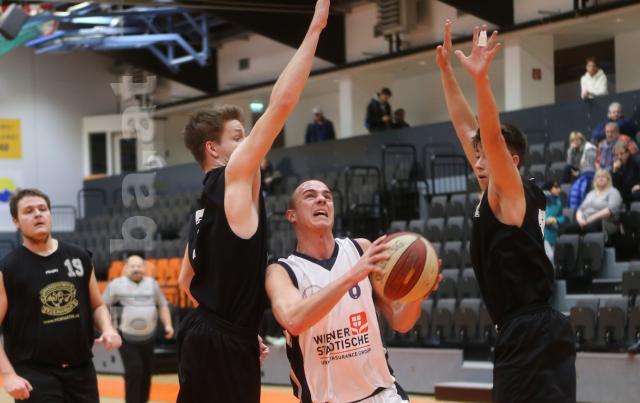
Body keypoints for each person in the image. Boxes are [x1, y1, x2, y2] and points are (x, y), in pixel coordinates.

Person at [176, 1, 330, 402]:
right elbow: (282, 103)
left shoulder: (203, 205)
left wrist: (235, 326)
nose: (249, 142)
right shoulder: (231, 178)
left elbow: (185, 280)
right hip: (220, 342)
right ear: (214, 149)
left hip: (215, 336)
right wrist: (315, 30)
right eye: (238, 137)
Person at [437, 21, 576, 402]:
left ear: (511, 161)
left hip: (532, 333)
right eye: (477, 155)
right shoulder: (497, 193)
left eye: (486, 156)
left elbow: (491, 137)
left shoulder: (512, 192)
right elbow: (467, 127)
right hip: (526, 331)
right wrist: (446, 71)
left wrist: (481, 79)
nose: (478, 162)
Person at [265, 180, 441, 402]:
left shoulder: (361, 250)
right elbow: (293, 320)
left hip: (383, 395)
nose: (321, 199)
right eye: (310, 195)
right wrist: (352, 276)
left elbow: (400, 323)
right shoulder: (281, 271)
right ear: (292, 215)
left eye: (327, 196)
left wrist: (417, 296)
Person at [0, 189, 121, 402]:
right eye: (28, 211)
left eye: (42, 209)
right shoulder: (8, 268)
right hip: (35, 374)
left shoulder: (79, 256)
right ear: (16, 221)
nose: (38, 214)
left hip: (82, 370)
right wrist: (8, 375)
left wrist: (108, 328)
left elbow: (97, 306)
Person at [102, 255, 174, 403]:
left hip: (148, 337)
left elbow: (162, 305)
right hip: (127, 337)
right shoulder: (116, 285)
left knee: (146, 373)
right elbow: (102, 306)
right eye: (132, 266)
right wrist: (108, 327)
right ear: (125, 268)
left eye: (139, 266)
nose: (136, 269)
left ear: (144, 268)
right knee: (134, 371)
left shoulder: (152, 284)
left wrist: (168, 325)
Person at [565, 169, 622, 235]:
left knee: (590, 227)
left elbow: (610, 210)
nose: (600, 179)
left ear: (608, 179)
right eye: (598, 177)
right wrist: (580, 220)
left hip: (604, 222)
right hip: (585, 221)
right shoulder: (591, 193)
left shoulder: (613, 192)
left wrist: (590, 219)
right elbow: (580, 209)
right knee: (568, 228)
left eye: (603, 177)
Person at [543, 181, 566, 264]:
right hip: (542, 232)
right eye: (556, 187)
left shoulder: (559, 201)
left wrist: (555, 220)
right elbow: (536, 211)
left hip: (553, 232)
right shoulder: (541, 197)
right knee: (549, 255)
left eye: (559, 187)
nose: (558, 190)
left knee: (552, 257)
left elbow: (562, 217)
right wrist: (545, 219)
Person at [611, 142, 640, 206]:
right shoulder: (616, 165)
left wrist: (639, 185)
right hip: (624, 191)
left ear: (627, 153)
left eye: (621, 154)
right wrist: (615, 171)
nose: (619, 157)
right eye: (616, 155)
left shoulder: (636, 162)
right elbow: (614, 186)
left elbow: (628, 181)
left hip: (634, 190)